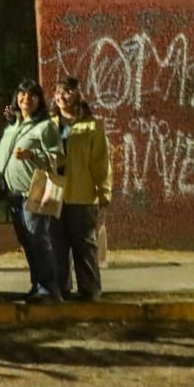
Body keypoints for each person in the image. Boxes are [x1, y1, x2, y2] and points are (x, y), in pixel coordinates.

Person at [0, 79, 66, 303]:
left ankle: (49, 289)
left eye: (32, 95)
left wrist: (33, 156)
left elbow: (58, 156)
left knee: (39, 240)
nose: (26, 99)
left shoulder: (45, 126)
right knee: (27, 241)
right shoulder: (13, 125)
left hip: (34, 191)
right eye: (22, 94)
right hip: (14, 193)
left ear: (39, 101)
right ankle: (37, 285)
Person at [52, 77, 111, 301]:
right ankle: (61, 287)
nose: (61, 96)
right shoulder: (49, 124)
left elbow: (101, 162)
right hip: (54, 196)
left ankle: (90, 289)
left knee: (84, 246)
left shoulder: (92, 127)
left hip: (83, 196)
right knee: (57, 246)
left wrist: (104, 192)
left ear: (77, 95)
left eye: (66, 92)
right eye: (57, 92)